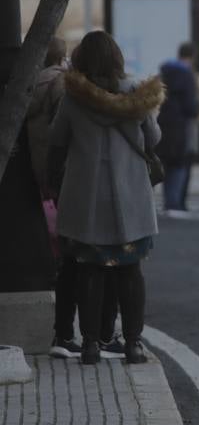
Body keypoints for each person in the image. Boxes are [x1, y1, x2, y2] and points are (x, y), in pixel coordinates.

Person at [48, 30, 165, 365]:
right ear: (117, 58)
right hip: (131, 199)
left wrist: (53, 183)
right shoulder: (137, 96)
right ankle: (133, 344)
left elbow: (57, 141)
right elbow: (152, 139)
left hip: (86, 199)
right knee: (130, 271)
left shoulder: (74, 98)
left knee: (90, 271)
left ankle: (89, 345)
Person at [26, 37, 83, 359]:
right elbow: (65, 133)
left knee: (64, 253)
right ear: (62, 58)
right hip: (62, 175)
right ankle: (71, 332)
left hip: (38, 173)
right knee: (75, 255)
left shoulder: (28, 84)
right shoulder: (60, 84)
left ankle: (65, 331)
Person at [158, 43, 199, 216]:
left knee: (166, 164)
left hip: (163, 122)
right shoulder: (187, 75)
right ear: (192, 56)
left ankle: (168, 202)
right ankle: (176, 203)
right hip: (180, 125)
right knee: (180, 164)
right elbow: (190, 107)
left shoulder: (164, 73)